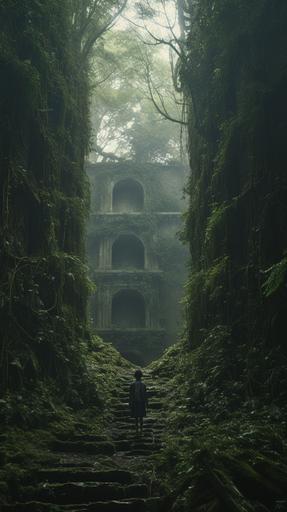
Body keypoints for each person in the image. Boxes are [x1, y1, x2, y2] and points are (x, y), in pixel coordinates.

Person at [129, 369, 148, 435]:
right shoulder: (143, 385)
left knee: (136, 417)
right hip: (141, 402)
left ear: (135, 376)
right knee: (141, 417)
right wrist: (146, 402)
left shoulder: (132, 385)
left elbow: (131, 395)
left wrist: (130, 403)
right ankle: (141, 430)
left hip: (135, 402)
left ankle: (137, 430)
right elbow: (145, 395)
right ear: (141, 376)